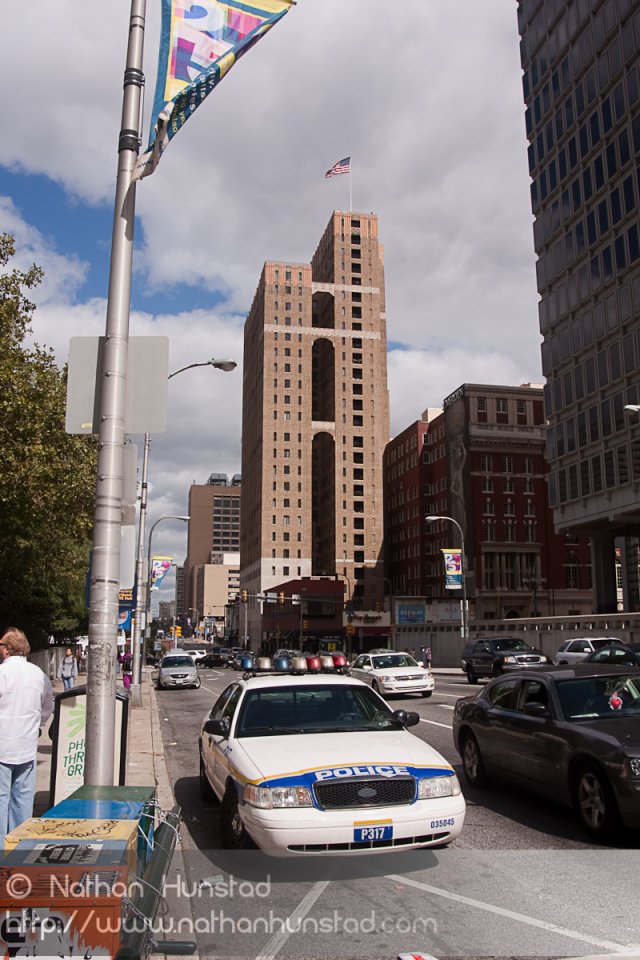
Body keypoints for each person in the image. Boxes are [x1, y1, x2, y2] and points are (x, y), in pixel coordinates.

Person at [0, 627, 54, 847]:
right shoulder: (38, 674)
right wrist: (35, 724)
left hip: (3, 746)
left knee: (1, 799)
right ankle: (18, 849)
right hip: (27, 746)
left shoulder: (2, 674)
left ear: (7, 649)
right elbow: (47, 707)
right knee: (22, 800)